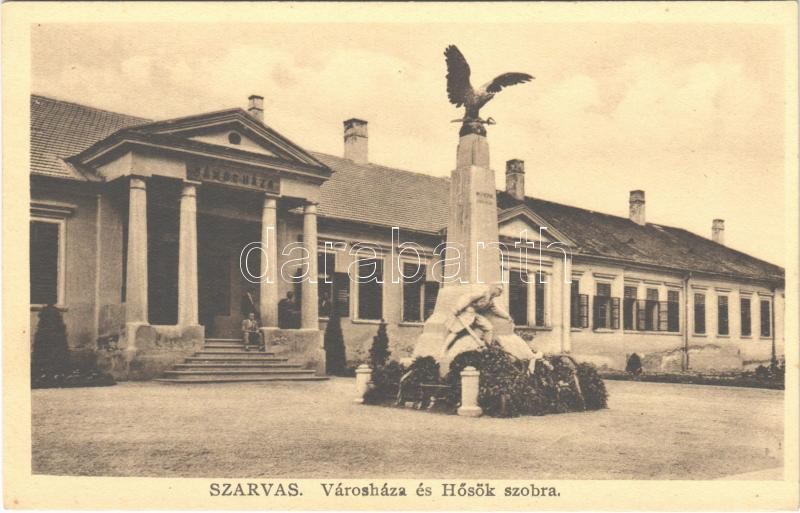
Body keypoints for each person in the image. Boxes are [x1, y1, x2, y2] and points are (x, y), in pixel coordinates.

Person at [442, 283, 513, 354]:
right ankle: (443, 349)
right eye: (500, 291)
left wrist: (507, 316)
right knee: (456, 330)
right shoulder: (482, 292)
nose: (500, 293)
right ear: (495, 289)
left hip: (475, 314)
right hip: (467, 313)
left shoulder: (490, 300)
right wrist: (458, 308)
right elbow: (468, 298)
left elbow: (496, 309)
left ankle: (487, 348)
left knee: (489, 327)